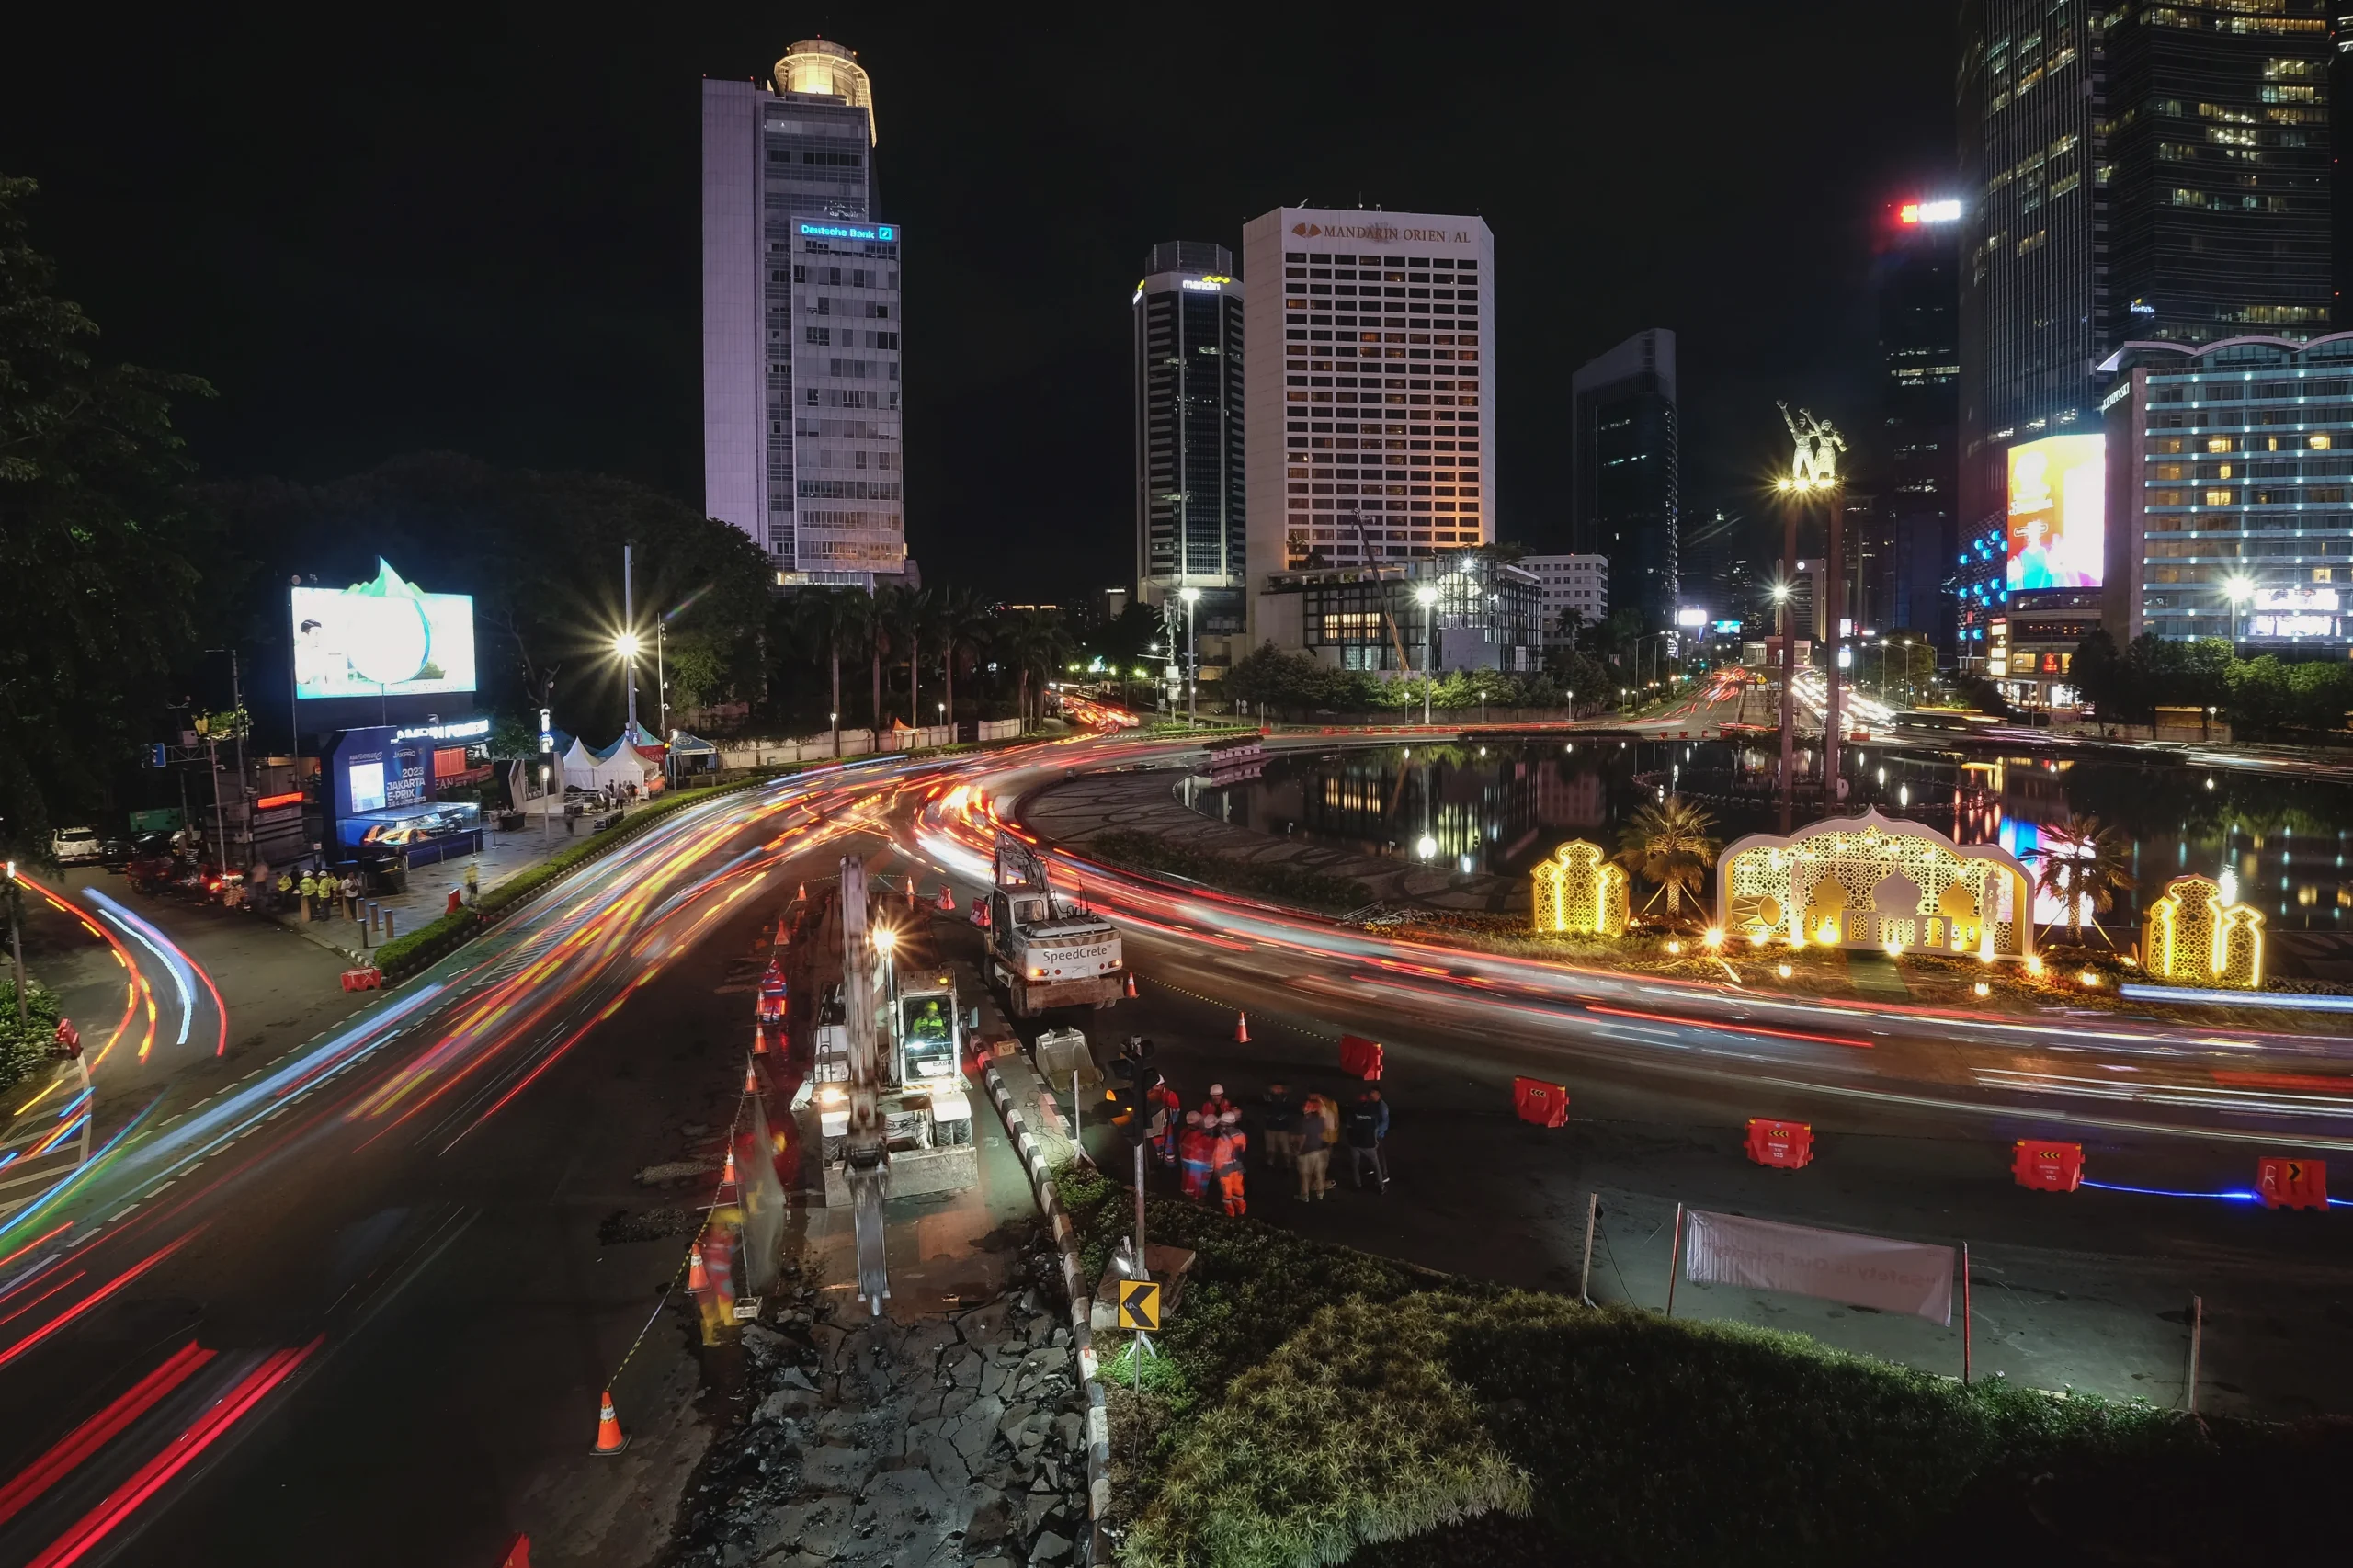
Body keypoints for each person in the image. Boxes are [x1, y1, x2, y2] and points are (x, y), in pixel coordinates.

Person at [1344, 1088, 1390, 1192]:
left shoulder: (1353, 1112)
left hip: (1355, 1144)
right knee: (1376, 1164)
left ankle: (1358, 1185)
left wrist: (1350, 1140)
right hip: (1369, 1144)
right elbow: (1375, 1128)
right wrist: (1375, 1141)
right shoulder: (1372, 1113)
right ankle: (1381, 1186)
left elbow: (1349, 1127)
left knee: (1355, 1165)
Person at [1294, 1095, 1332, 1201]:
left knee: (1305, 1176)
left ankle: (1304, 1196)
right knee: (1320, 1174)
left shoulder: (1304, 1122)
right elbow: (1324, 1112)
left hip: (1306, 1152)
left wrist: (1297, 1150)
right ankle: (1320, 1194)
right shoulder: (1319, 1120)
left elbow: (1302, 1138)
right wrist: (1320, 1100)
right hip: (1319, 1151)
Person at [1212, 1110, 1247, 1218]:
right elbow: (1243, 1149)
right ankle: (1242, 1211)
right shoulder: (1240, 1133)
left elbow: (1219, 1156)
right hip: (1238, 1168)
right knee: (1238, 1191)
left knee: (1227, 1194)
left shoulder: (1222, 1138)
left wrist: (1216, 1170)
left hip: (1225, 1171)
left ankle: (1230, 1214)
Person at [1260, 1082, 1301, 1171]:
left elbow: (1293, 1110)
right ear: (1271, 1088)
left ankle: (1288, 1163)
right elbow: (1262, 1108)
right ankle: (1270, 1163)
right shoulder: (1266, 1098)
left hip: (1283, 1129)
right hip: (1269, 1128)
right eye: (1275, 1087)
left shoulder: (1287, 1099)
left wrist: (1283, 1117)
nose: (1277, 1090)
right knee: (1270, 1147)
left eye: (1280, 1088)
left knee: (1285, 1147)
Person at [1176, 1111, 1216, 1201]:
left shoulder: (1184, 1132)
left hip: (1184, 1159)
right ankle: (1197, 1198)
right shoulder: (1201, 1135)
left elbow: (1180, 1146)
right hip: (1198, 1162)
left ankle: (1184, 1193)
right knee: (1199, 1181)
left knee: (1187, 1177)